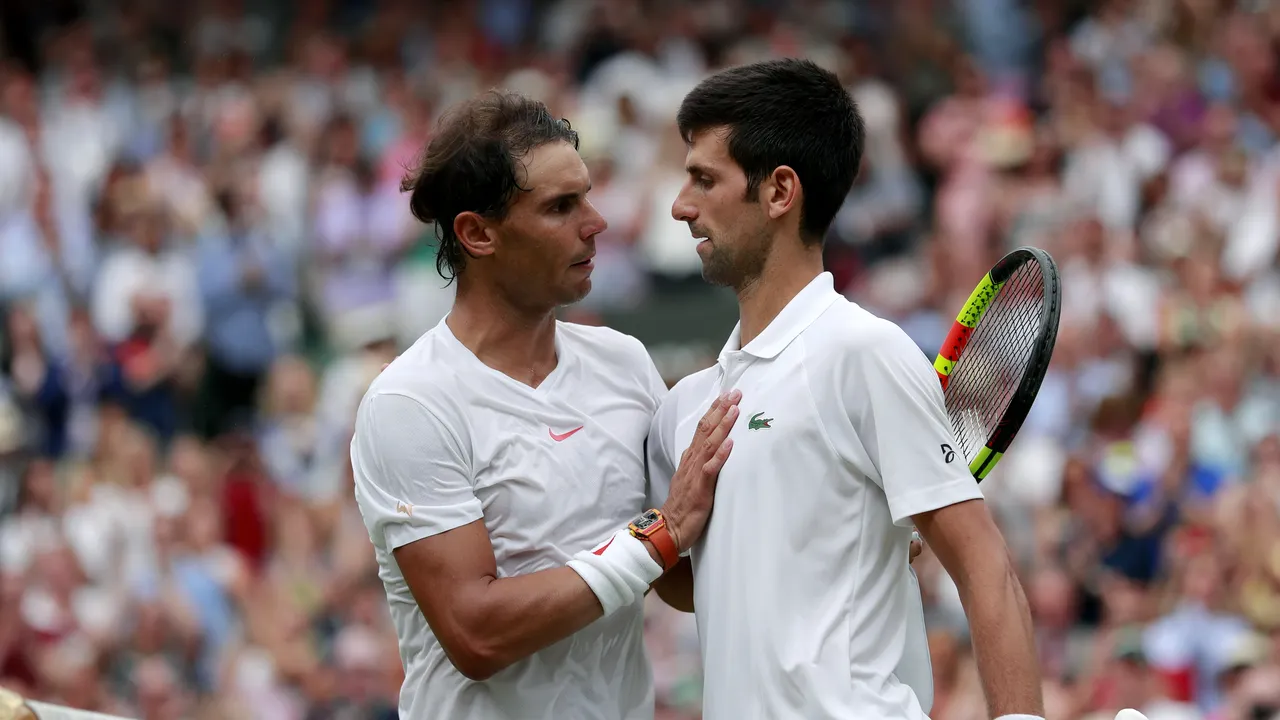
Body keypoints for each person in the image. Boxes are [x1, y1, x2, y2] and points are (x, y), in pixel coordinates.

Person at [644, 57, 1046, 720]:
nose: (681, 207)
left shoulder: (864, 354)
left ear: (779, 192)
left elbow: (985, 569)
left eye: (705, 180)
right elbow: (696, 589)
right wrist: (667, 529)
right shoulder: (685, 408)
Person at [347, 90, 742, 720]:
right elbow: (476, 634)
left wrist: (837, 543)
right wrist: (658, 534)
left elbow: (677, 581)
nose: (596, 221)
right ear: (478, 233)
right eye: (561, 206)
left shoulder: (624, 362)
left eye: (586, 194)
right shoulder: (409, 403)